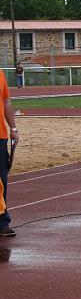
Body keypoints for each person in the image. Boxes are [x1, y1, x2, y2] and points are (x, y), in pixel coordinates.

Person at [0, 69, 19, 237]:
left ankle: (2, 222)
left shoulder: (0, 74)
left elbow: (6, 102)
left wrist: (13, 129)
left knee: (1, 181)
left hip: (0, 136)